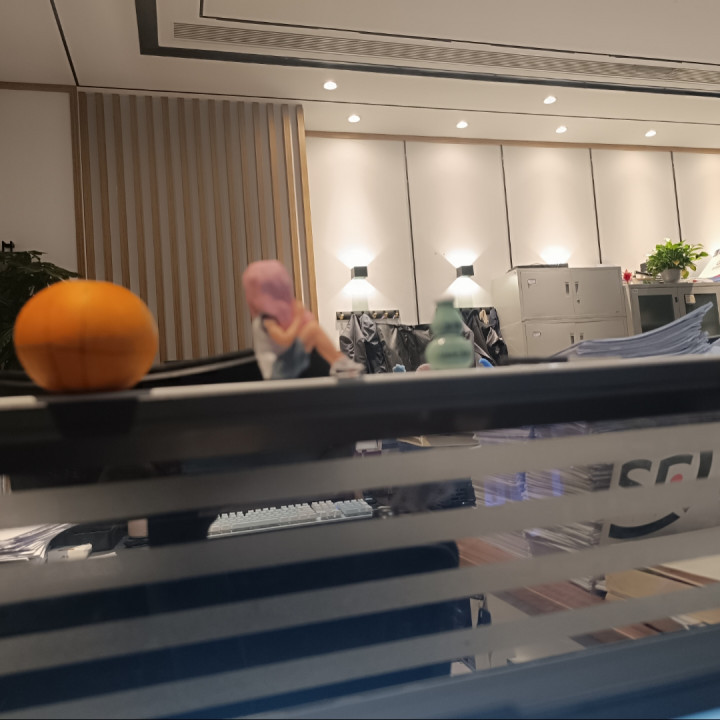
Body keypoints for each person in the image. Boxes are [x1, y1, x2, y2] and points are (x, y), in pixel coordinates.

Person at [242, 260, 362, 380]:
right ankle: (339, 362)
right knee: (312, 330)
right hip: (277, 370)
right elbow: (285, 340)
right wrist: (298, 318)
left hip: (282, 366)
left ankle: (338, 361)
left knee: (312, 330)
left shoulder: (273, 318)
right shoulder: (267, 320)